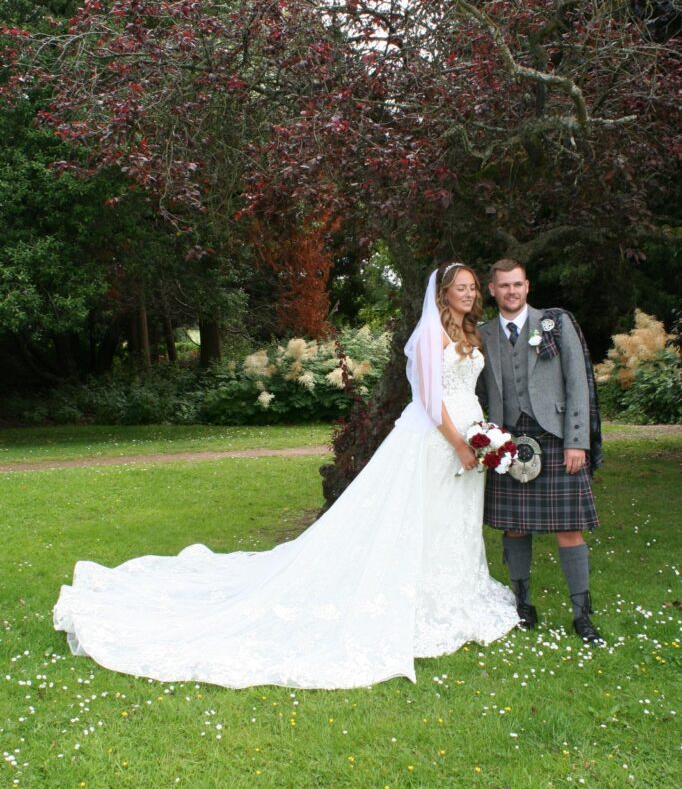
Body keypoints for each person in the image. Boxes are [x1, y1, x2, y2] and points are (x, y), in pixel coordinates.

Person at [54, 262, 520, 690]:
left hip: (469, 435)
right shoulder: (430, 335)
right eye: (460, 288)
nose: (468, 294)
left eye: (472, 288)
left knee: (450, 519)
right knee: (421, 518)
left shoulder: (468, 332)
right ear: (442, 293)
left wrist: (480, 437)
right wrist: (460, 444)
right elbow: (430, 399)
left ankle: (453, 594)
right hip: (438, 440)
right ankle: (419, 601)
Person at [476, 258, 604, 644]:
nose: (511, 291)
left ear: (527, 286)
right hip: (508, 441)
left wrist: (577, 441)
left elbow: (577, 382)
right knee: (515, 527)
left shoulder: (555, 323)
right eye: (503, 285)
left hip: (555, 436)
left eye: (517, 284)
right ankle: (522, 605)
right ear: (492, 290)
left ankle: (582, 615)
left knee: (569, 527)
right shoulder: (482, 334)